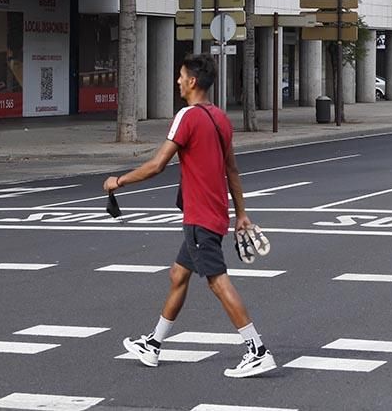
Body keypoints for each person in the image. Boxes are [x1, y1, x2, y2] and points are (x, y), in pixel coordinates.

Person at [103, 53, 275, 378]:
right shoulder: (220, 118)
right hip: (214, 214)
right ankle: (153, 344)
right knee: (178, 276)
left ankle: (257, 350)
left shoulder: (187, 116)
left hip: (199, 219)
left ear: (193, 81)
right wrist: (240, 214)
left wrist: (119, 181)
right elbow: (232, 170)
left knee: (218, 282)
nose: (178, 81)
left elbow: (157, 165)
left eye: (181, 76)